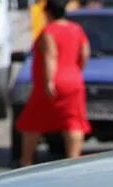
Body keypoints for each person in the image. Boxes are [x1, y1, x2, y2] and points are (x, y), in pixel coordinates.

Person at [15, 0, 90, 166]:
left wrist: (49, 81)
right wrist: (77, 70)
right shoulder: (76, 29)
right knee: (73, 122)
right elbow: (85, 52)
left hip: (51, 82)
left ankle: (26, 161)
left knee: (32, 122)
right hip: (73, 80)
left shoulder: (49, 31)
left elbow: (51, 55)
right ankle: (74, 160)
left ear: (47, 13)